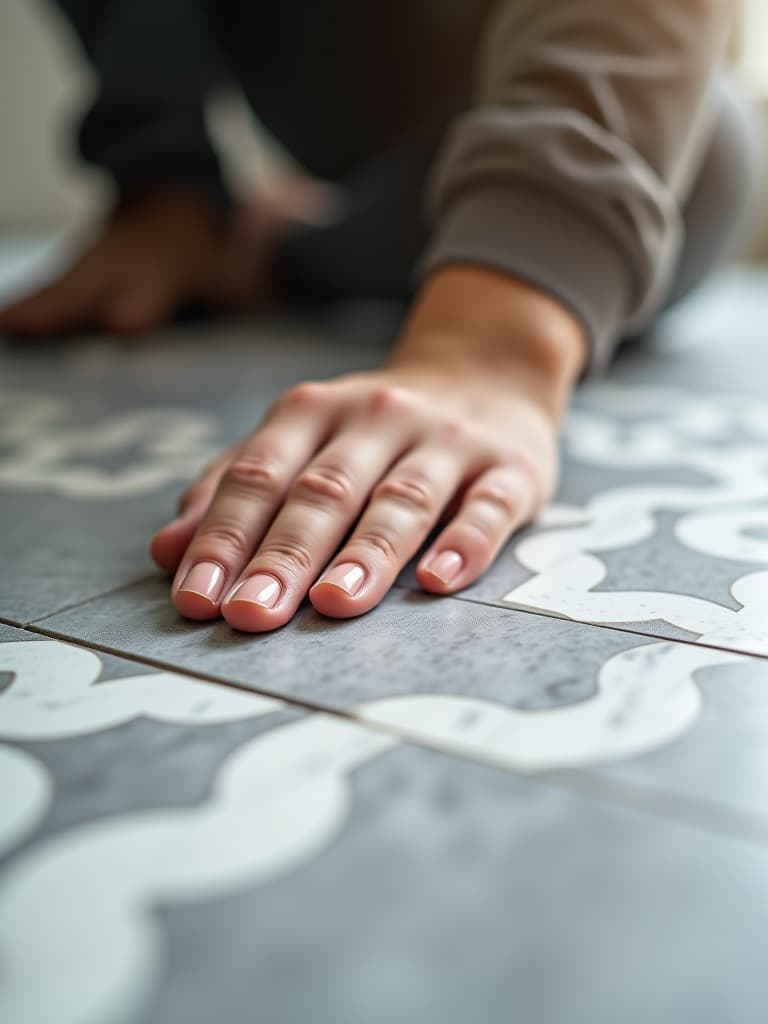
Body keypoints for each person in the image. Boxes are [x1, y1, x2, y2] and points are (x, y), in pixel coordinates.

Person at [0, 0, 758, 632]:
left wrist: (492, 342)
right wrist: (160, 175)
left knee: (708, 153)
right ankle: (218, 228)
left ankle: (277, 246)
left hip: (518, 80)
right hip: (346, 104)